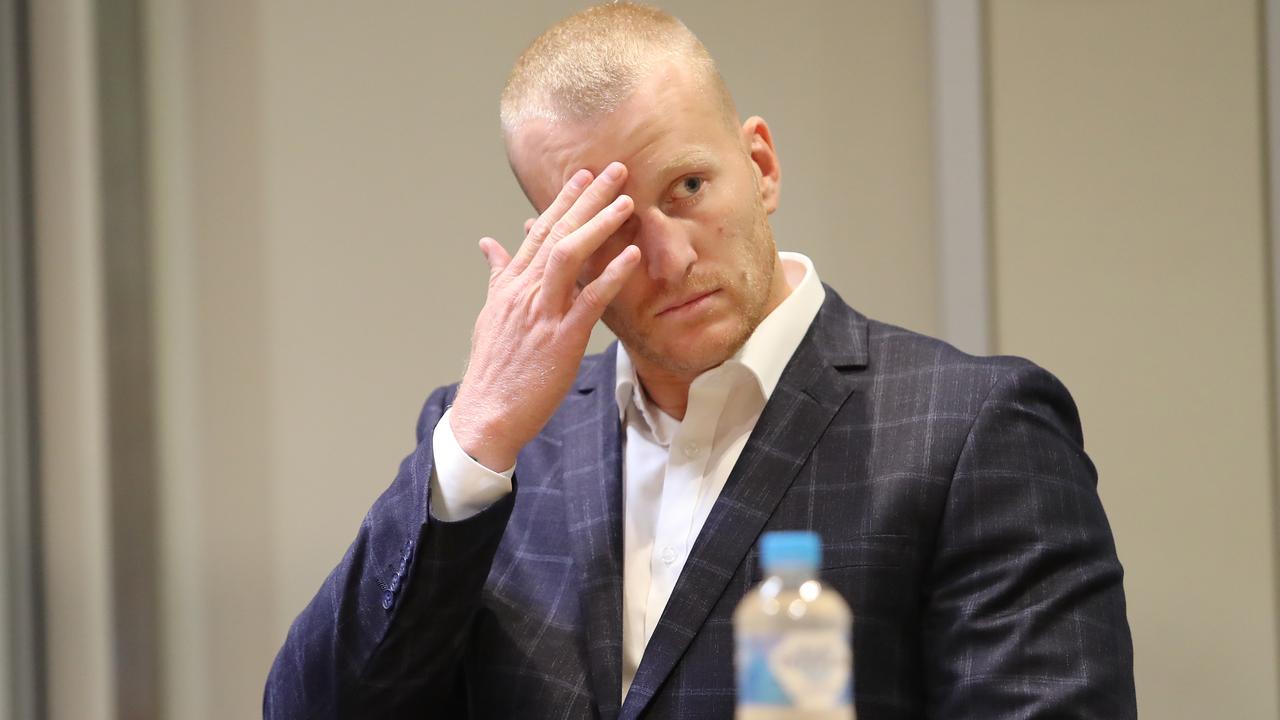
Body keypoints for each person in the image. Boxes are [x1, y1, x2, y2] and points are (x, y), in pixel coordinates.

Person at [264, 3, 1136, 719]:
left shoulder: (973, 429)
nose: (672, 258)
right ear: (554, 246)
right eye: (611, 228)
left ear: (759, 164)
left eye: (687, 188)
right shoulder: (493, 454)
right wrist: (478, 437)